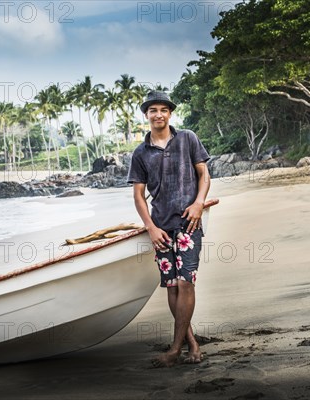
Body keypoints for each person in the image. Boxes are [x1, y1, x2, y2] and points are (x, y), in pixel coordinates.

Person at [127, 91, 210, 367]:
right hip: (161, 226)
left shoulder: (187, 138)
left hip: (189, 221)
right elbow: (139, 196)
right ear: (147, 115)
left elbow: (203, 174)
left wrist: (198, 203)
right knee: (172, 287)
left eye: (164, 110)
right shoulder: (140, 153)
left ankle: (175, 349)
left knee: (186, 282)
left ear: (170, 113)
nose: (159, 114)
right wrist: (150, 228)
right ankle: (192, 343)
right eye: (153, 110)